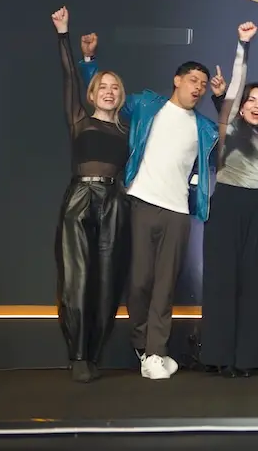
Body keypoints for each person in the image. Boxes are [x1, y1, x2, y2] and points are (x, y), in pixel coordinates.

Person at [79, 39, 219, 381]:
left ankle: (157, 350)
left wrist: (221, 98)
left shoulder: (204, 127)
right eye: (193, 80)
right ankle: (143, 346)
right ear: (177, 80)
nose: (198, 87)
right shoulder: (146, 104)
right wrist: (89, 61)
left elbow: (229, 130)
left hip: (178, 212)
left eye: (203, 84)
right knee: (140, 282)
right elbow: (107, 97)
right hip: (141, 203)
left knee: (165, 286)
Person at [50, 7, 130, 383]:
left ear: (120, 95)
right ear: (93, 93)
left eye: (115, 88)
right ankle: (78, 355)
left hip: (115, 203)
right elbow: (70, 75)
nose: (109, 92)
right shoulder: (79, 120)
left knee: (108, 283)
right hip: (80, 199)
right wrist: (63, 34)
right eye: (103, 87)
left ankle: (94, 352)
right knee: (77, 280)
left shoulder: (128, 131)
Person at [201, 22, 258, 377]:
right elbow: (235, 84)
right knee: (223, 281)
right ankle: (219, 356)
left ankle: (248, 358)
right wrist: (243, 46)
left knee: (253, 284)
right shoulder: (230, 126)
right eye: (251, 100)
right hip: (227, 205)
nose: (256, 106)